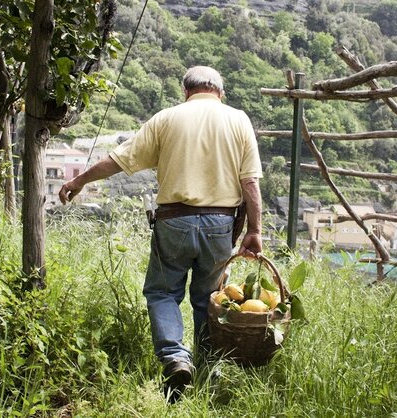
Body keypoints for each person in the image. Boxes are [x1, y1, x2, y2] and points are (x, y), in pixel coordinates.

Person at [58, 66, 263, 403]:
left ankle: (174, 358)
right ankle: (208, 367)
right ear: (220, 92)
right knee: (207, 299)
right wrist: (254, 230)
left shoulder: (167, 118)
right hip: (220, 225)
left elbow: (118, 159)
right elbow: (250, 182)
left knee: (163, 292)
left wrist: (78, 181)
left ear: (186, 91)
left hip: (175, 221)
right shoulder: (238, 119)